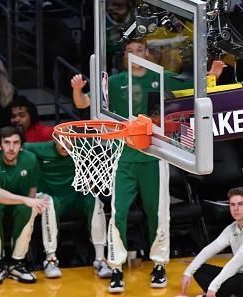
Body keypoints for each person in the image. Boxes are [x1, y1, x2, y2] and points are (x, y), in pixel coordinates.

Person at [71, 38, 193, 293]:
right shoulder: (114, 83)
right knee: (119, 213)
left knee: (158, 213)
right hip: (123, 157)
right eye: (130, 51)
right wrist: (77, 89)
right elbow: (83, 103)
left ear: (147, 53)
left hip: (154, 155)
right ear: (125, 56)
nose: (136, 54)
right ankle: (116, 267)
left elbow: (193, 88)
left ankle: (158, 264)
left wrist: (212, 75)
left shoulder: (161, 77)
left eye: (140, 50)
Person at [0, 126, 48, 285]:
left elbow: (32, 193)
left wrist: (28, 202)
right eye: (7, 143)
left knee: (30, 207)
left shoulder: (30, 159)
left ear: (21, 146)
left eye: (16, 143)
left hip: (13, 204)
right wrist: (25, 200)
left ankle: (16, 263)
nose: (11, 148)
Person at [24, 139, 111, 279]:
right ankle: (50, 260)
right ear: (54, 139)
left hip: (74, 198)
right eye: (62, 140)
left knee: (94, 200)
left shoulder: (83, 147)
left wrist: (91, 176)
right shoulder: (39, 148)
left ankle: (100, 259)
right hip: (53, 197)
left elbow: (103, 151)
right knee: (48, 202)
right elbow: (18, 147)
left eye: (70, 141)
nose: (66, 145)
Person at [180, 187, 243, 297]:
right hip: (238, 274)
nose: (236, 209)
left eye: (240, 204)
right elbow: (208, 250)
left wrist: (213, 286)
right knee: (199, 269)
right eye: (232, 205)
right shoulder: (232, 228)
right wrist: (187, 273)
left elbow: (236, 262)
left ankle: (216, 294)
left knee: (228, 281)